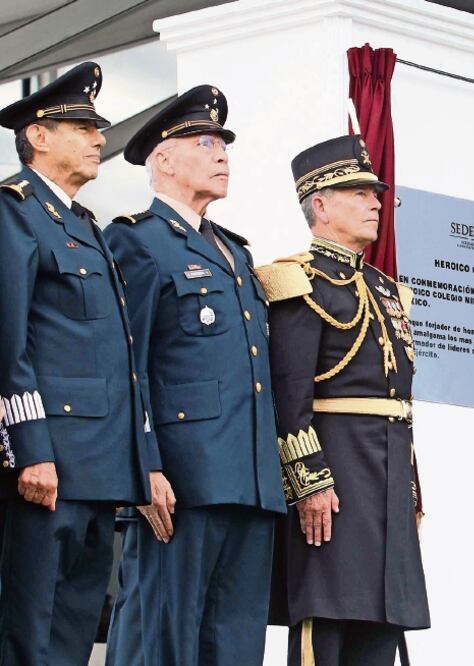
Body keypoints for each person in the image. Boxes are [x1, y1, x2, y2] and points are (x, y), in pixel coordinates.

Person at [102, 84, 286, 666]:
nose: (221, 155)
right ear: (162, 159)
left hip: (249, 480)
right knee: (161, 638)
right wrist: (144, 468)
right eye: (204, 143)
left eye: (223, 145)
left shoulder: (236, 252)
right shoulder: (136, 240)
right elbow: (125, 364)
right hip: (181, 480)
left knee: (235, 645)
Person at [0, 62, 154, 664]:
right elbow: (8, 343)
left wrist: (134, 464)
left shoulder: (85, 225)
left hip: (96, 468)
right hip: (48, 463)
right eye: (83, 128)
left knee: (73, 631)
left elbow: (116, 357)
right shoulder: (14, 211)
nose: (98, 139)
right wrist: (30, 449)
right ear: (38, 136)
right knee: (28, 630)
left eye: (98, 128)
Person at [259, 134, 429, 666]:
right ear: (321, 205)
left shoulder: (385, 290)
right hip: (333, 483)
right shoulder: (297, 282)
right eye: (359, 192)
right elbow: (290, 397)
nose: (375, 203)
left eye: (375, 193)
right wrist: (309, 484)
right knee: (327, 628)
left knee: (382, 628)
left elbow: (398, 403)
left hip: (386, 481)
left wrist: (410, 487)